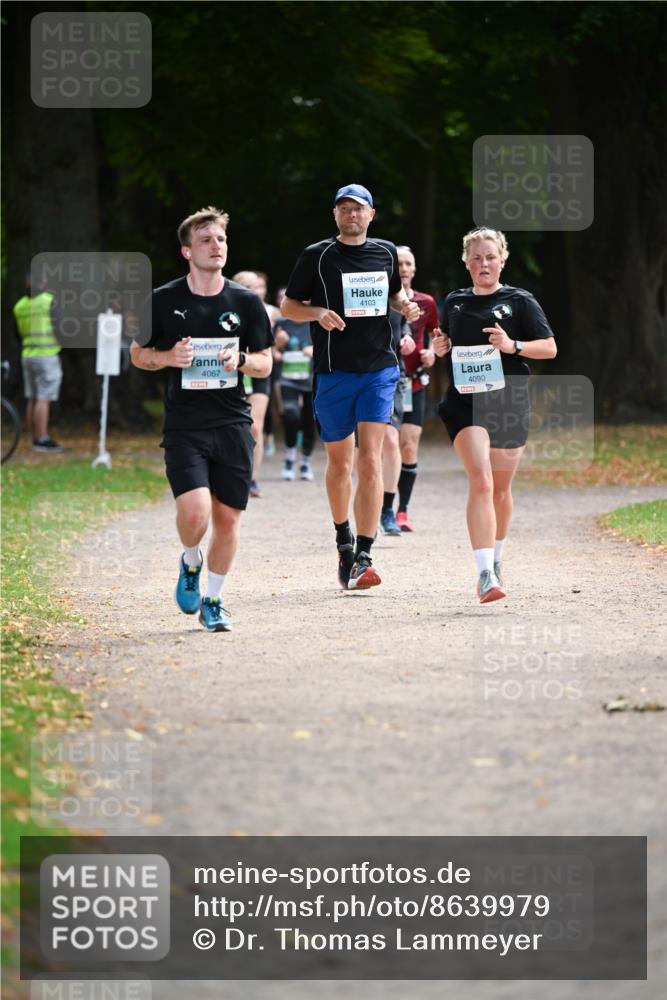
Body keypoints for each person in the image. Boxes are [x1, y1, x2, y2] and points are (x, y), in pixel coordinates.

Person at [130, 207, 273, 631]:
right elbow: (138, 355)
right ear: (187, 250)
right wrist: (167, 357)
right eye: (207, 240)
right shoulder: (162, 300)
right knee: (195, 515)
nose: (216, 246)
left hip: (232, 423)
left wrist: (242, 359)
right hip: (185, 425)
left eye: (221, 240)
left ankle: (213, 599)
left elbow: (265, 363)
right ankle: (190, 559)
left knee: (227, 520)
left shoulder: (245, 302)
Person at [281, 183, 420, 590]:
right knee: (341, 464)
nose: (351, 215)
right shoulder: (317, 256)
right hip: (333, 371)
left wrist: (405, 305)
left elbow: (395, 296)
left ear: (371, 215)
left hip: (379, 369)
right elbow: (290, 306)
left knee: (371, 460)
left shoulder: (386, 252)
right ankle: (342, 540)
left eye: (358, 209)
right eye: (344, 208)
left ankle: (364, 552)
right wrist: (318, 312)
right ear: (335, 215)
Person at [432, 227, 557, 603]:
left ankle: (497, 560)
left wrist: (512, 344)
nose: (483, 263)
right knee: (482, 481)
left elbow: (549, 348)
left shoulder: (520, 301)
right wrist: (441, 347)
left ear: (502, 260)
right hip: (465, 403)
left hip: (507, 402)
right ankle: (485, 574)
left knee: (501, 489)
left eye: (490, 257)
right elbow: (447, 344)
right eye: (476, 257)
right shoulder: (454, 301)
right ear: (466, 262)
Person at [393, 246, 439, 532]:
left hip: (415, 381)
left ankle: (402, 511)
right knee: (387, 447)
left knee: (409, 445)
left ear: (414, 269)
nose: (404, 268)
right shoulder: (382, 300)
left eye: (409, 263)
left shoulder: (426, 302)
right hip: (386, 381)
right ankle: (383, 507)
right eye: (399, 263)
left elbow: (437, 333)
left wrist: (432, 353)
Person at [231, 270, 275, 497]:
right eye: (249, 286)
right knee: (237, 426)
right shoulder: (226, 309)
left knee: (255, 426)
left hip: (258, 372)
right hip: (233, 371)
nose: (255, 291)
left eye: (258, 286)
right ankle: (233, 472)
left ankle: (252, 478)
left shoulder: (267, 313)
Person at [12, 272, 63, 452]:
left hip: (27, 354)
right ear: (43, 281)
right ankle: (42, 438)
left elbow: (17, 334)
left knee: (32, 397)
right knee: (44, 398)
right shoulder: (48, 301)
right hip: (46, 354)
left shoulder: (19, 306)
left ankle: (33, 437)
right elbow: (61, 327)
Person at [379, 310, 415, 536]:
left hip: (392, 375)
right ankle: (367, 507)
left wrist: (407, 338)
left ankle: (386, 510)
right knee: (362, 449)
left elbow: (404, 328)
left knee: (392, 441)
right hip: (356, 375)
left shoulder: (397, 303)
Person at [275, 313, 316, 481]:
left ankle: (306, 461)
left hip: (311, 380)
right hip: (288, 380)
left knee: (309, 421)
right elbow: (268, 348)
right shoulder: (281, 324)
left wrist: (315, 349)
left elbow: (331, 346)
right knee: (291, 416)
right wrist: (277, 348)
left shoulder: (315, 322)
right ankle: (289, 458)